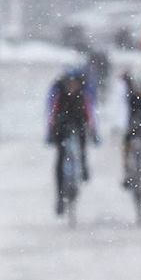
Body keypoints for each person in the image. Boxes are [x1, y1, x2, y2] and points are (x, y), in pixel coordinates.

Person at [46, 68, 98, 216]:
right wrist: (51, 131)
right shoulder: (59, 95)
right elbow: (52, 113)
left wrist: (93, 131)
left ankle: (83, 166)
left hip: (78, 123)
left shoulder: (83, 96)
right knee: (60, 158)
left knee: (82, 148)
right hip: (62, 126)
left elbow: (89, 114)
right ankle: (60, 197)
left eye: (74, 84)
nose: (72, 87)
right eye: (69, 84)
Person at [115, 65, 141, 188]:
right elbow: (121, 107)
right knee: (126, 141)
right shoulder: (124, 86)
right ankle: (127, 171)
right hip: (131, 114)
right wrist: (122, 125)